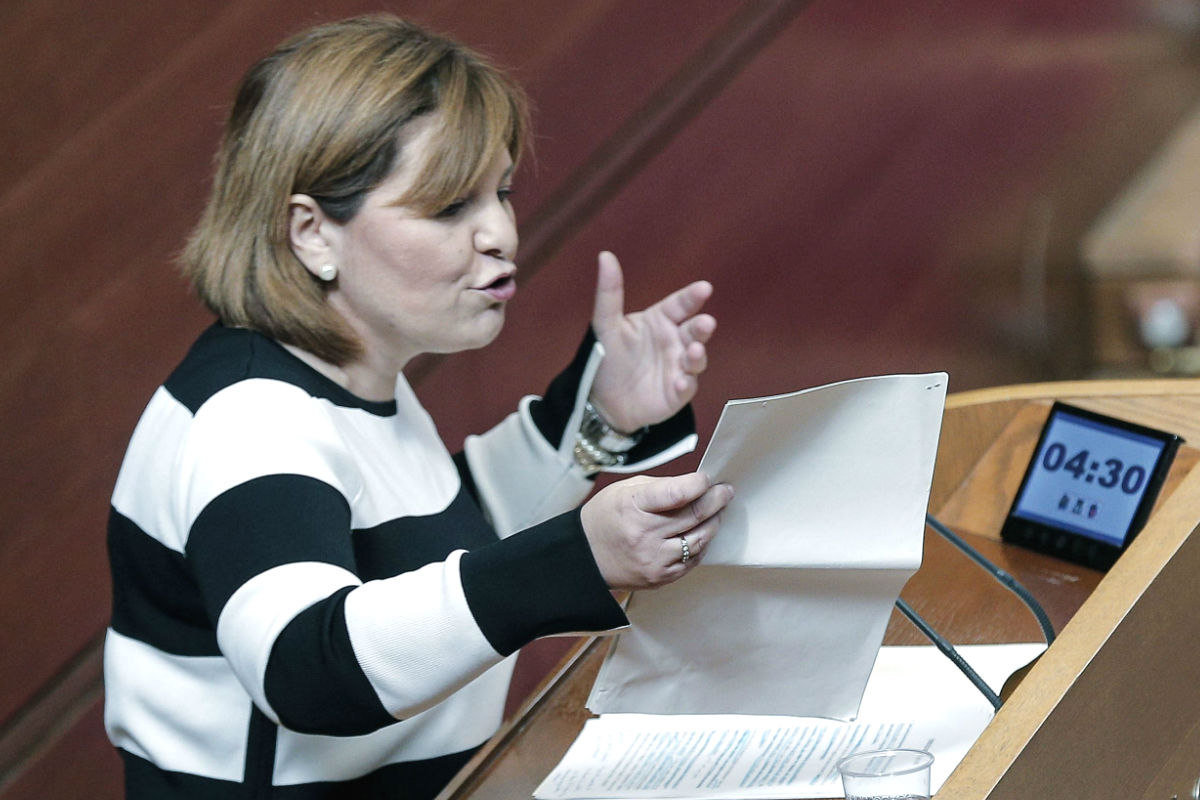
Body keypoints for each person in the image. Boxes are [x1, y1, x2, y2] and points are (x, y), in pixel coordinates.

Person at [103, 14, 733, 799]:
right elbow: (309, 665)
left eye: (499, 192)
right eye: (447, 209)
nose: (500, 233)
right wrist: (576, 559)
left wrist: (600, 415)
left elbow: (429, 546)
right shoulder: (247, 419)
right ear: (312, 234)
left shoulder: (349, 379)